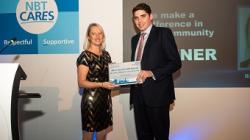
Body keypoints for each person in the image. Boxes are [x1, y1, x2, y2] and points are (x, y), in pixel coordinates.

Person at [130, 3, 182, 140]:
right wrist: (122, 73)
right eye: (136, 18)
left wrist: (151, 72)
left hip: (158, 97)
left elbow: (176, 62)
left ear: (151, 16)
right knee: (143, 136)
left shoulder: (163, 33)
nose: (139, 21)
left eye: (143, 16)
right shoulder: (134, 40)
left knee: (160, 136)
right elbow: (136, 66)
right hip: (138, 96)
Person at [76, 23, 118, 140]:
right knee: (88, 136)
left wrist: (116, 72)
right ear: (88, 37)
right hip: (91, 102)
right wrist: (101, 84)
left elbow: (108, 75)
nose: (97, 36)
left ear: (103, 36)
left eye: (100, 33)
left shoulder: (106, 55)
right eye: (93, 33)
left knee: (102, 134)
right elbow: (81, 82)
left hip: (105, 100)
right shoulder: (85, 56)